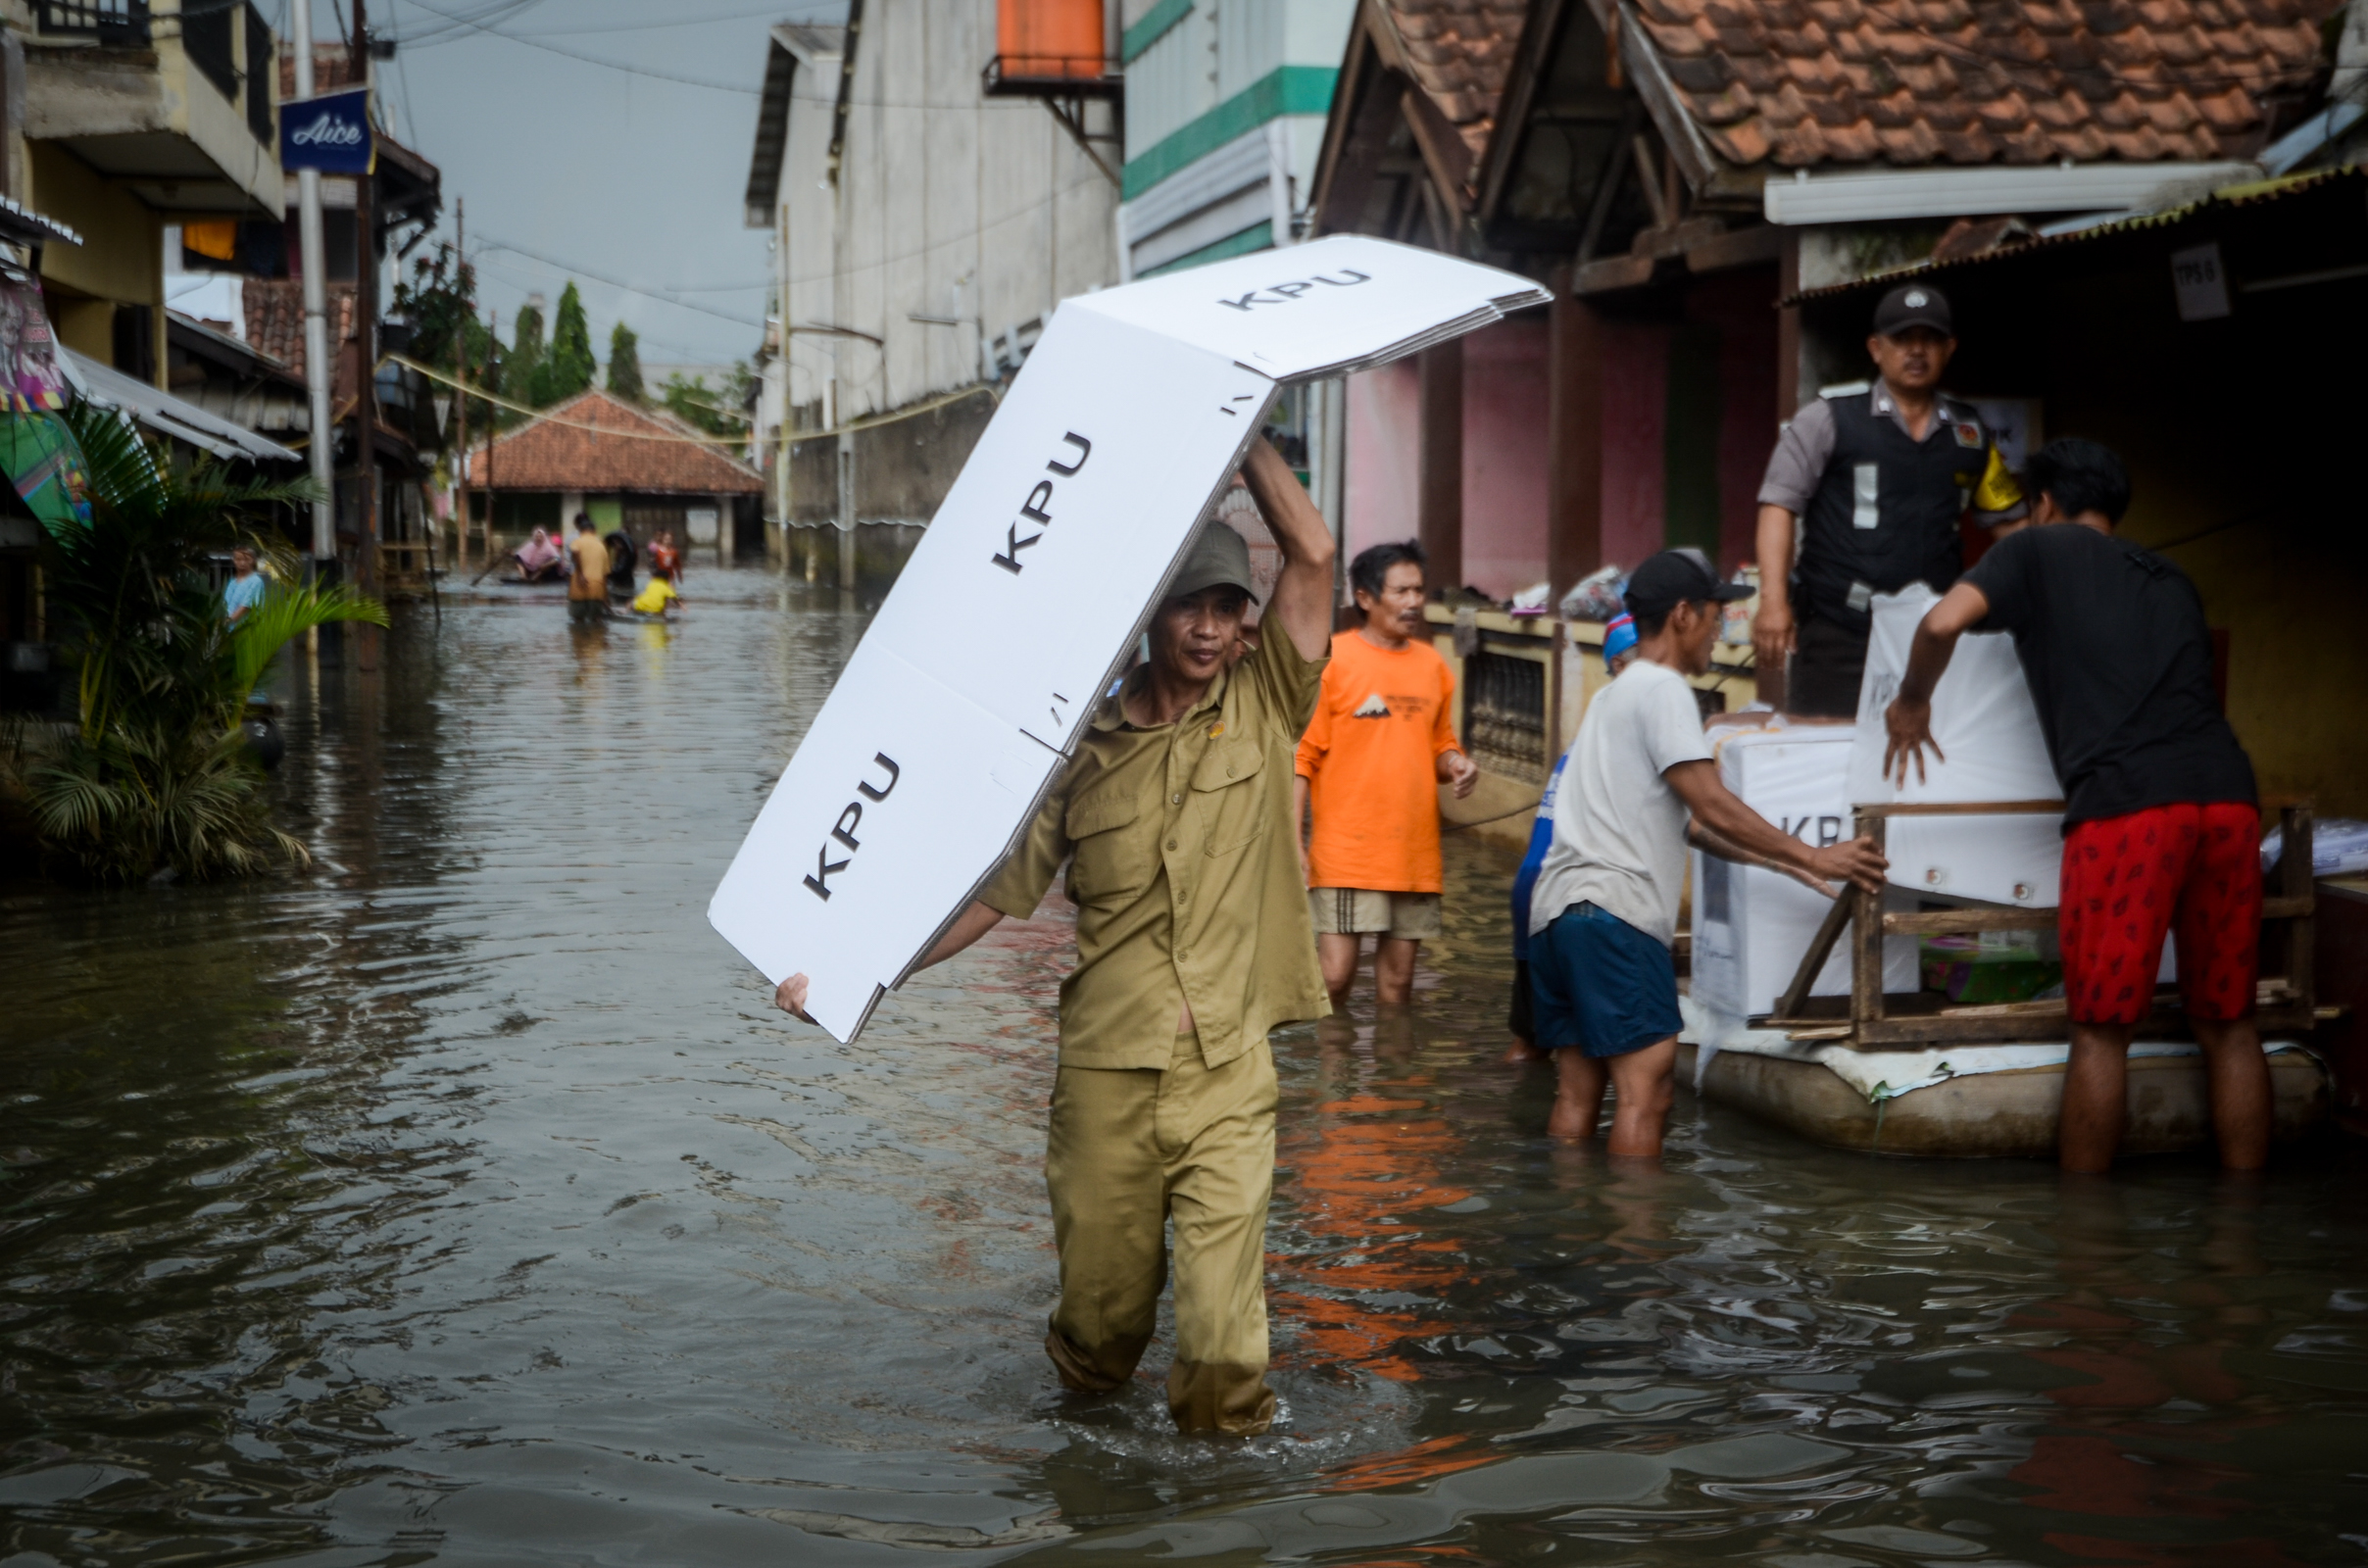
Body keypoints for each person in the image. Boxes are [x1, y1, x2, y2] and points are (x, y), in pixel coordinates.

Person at [772, 437, 1335, 1437]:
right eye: (1188, 607)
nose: (1208, 631)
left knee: (1220, 1347)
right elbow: (993, 895)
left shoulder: (1264, 704)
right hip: (1104, 1075)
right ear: (1146, 618)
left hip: (1228, 1071)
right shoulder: (1076, 752)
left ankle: (1224, 1518)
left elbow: (1315, 555)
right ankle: (1090, 1475)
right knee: (1099, 1336)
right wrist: (856, 973)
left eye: (1226, 610)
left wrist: (1243, 438)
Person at [1882, 438, 2268, 1174]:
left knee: (2100, 1030)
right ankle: (2242, 1235)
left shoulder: (2034, 551)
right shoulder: (2172, 577)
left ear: (2046, 504)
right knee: (2232, 1026)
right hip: (2228, 801)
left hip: (2129, 811)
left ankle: (2082, 1255)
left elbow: (1938, 623)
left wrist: (1910, 701)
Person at [1531, 550, 1888, 1153]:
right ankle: (1638, 1246)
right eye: (1716, 618)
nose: (1720, 635)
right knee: (1650, 1096)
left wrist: (1779, 862)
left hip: (1556, 918)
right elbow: (1711, 803)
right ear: (1682, 616)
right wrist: (1815, 855)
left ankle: (1572, 1241)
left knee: (1576, 1098)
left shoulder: (1611, 695)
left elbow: (1686, 827)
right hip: (1615, 915)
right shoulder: (1664, 689)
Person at [1752, 282, 2026, 717]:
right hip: (1839, 633)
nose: (1917, 351)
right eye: (1902, 339)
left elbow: (2012, 528)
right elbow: (1778, 507)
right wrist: (1772, 601)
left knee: (1926, 772)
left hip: (1932, 637)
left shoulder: (1970, 434)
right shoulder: (1828, 418)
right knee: (1829, 756)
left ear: (1949, 348)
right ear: (1876, 348)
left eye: (1930, 339)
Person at [1293, 540, 1479, 1009]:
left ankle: (1390, 1083)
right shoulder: (1332, 661)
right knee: (1333, 979)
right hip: (1347, 854)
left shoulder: (1433, 665)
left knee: (1397, 989)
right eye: (1401, 591)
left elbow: (1439, 744)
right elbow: (1301, 759)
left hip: (1414, 854)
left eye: (1418, 591)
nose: (1414, 602)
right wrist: (1292, 841)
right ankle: (1329, 1081)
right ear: (1366, 598)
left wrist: (1456, 763)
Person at [1505, 612, 1638, 1065]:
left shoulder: (1584, 739)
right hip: (1567, 902)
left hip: (1535, 891)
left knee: (1535, 1043)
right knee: (1586, 1055)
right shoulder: (1625, 733)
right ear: (1622, 666)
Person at [566, 514, 609, 623]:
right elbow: (605, 576)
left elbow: (575, 552)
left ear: (580, 531)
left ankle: (580, 640)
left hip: (579, 586)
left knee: (578, 621)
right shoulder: (601, 546)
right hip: (597, 588)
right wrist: (605, 598)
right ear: (594, 531)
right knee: (596, 620)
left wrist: (580, 574)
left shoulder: (577, 541)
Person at [222, 545, 265, 624]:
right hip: (227, 630)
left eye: (247, 559)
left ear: (254, 560)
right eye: (238, 559)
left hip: (244, 629)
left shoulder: (255, 581)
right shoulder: (232, 581)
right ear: (234, 560)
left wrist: (227, 622)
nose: (242, 563)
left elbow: (245, 607)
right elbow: (225, 605)